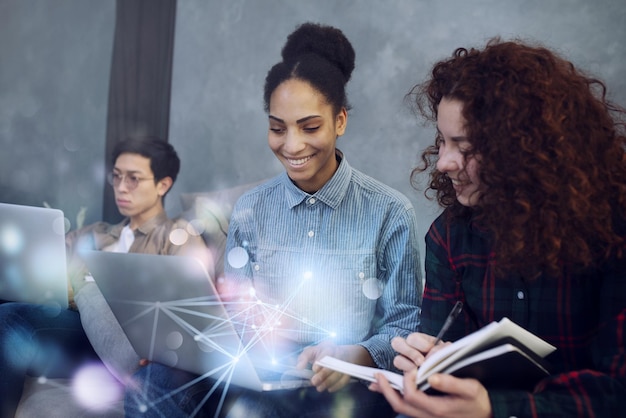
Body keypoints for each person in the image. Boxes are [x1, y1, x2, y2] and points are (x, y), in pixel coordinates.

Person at [124, 22, 422, 418]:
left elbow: (404, 323)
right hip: (257, 372)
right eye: (277, 128)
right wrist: (179, 347)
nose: (292, 145)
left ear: (340, 121)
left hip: (339, 387)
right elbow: (231, 315)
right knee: (152, 382)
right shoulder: (250, 209)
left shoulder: (390, 212)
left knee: (259, 409)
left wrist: (356, 355)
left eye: (310, 127)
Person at [370, 38, 626, 417]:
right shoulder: (449, 235)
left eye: (465, 146)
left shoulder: (613, 231)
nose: (442, 162)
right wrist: (432, 368)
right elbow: (448, 357)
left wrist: (494, 406)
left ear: (524, 149)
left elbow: (618, 392)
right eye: (442, 141)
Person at [0, 137, 208, 417]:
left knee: (85, 285)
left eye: (134, 179)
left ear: (163, 184)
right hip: (80, 335)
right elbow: (43, 269)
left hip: (131, 342)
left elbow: (192, 306)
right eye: (117, 176)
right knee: (10, 315)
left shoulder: (177, 235)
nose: (121, 187)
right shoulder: (95, 233)